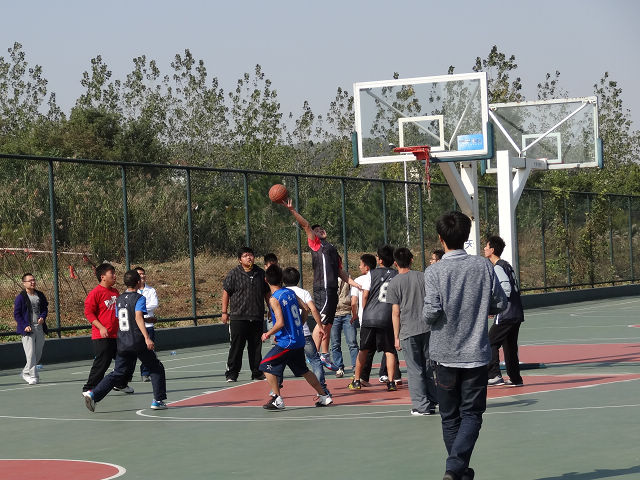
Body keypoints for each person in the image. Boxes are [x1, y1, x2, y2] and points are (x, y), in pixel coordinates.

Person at [423, 211, 507, 480]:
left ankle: (454, 469)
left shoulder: (434, 271)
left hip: (444, 355)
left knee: (449, 417)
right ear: (467, 236)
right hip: (476, 355)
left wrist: (428, 315)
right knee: (471, 414)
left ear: (440, 238)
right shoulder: (483, 266)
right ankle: (457, 469)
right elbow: (500, 302)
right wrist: (480, 307)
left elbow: (431, 312)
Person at [283, 199, 360, 370]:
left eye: (322, 229)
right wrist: (292, 210)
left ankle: (324, 355)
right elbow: (305, 225)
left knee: (328, 324)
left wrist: (355, 284)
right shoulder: (316, 244)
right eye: (316, 230)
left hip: (332, 289)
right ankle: (312, 355)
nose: (320, 230)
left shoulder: (332, 249)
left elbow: (340, 272)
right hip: (322, 288)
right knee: (321, 323)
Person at [83, 269, 168, 412]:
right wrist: (147, 337)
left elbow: (125, 317)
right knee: (156, 367)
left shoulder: (119, 298)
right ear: (138, 282)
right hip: (137, 340)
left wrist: (147, 320)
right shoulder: (139, 298)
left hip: (122, 341)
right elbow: (137, 317)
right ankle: (158, 400)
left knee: (118, 372)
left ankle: (93, 394)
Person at [259, 264, 333, 410]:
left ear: (266, 280)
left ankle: (277, 398)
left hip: (288, 342)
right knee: (304, 370)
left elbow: (280, 323)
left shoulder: (274, 299)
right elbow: (305, 308)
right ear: (281, 278)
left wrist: (268, 333)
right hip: (298, 340)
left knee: (265, 366)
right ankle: (324, 396)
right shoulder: (290, 292)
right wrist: (299, 325)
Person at [388, 247, 438, 416]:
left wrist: (396, 336)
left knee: (414, 369)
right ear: (411, 260)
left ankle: (421, 405)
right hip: (427, 327)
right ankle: (432, 400)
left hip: (408, 330)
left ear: (395, 263)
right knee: (428, 366)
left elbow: (395, 312)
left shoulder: (394, 283)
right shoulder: (423, 277)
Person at [348, 245, 399, 392]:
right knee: (389, 351)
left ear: (380, 260)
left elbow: (365, 295)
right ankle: (391, 382)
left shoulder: (372, 273)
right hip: (387, 317)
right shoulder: (396, 274)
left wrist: (365, 310)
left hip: (370, 317)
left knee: (363, 349)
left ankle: (357, 380)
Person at [82, 263, 134, 394]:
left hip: (117, 335)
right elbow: (89, 313)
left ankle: (121, 384)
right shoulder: (95, 293)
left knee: (127, 358)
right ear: (103, 277)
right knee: (102, 363)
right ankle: (89, 388)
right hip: (102, 336)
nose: (115, 276)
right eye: (112, 273)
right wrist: (101, 327)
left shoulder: (115, 292)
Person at [282, 267, 331, 396]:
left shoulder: (282, 294)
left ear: (283, 280)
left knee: (280, 361)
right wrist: (320, 326)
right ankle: (322, 389)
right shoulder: (303, 292)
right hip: (303, 333)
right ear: (298, 279)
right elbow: (313, 309)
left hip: (288, 335)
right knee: (315, 360)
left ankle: (276, 391)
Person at [221, 247, 268, 382]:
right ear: (240, 260)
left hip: (256, 317)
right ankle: (232, 373)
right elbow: (226, 293)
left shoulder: (261, 273)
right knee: (237, 347)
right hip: (238, 317)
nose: (249, 258)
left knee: (256, 347)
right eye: (245, 255)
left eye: (251, 255)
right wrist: (224, 312)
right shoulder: (233, 274)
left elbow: (267, 293)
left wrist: (271, 309)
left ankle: (257, 372)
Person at [483, 235, 525, 387]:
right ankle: (515, 378)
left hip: (506, 314)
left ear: (492, 250)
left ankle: (494, 375)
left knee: (489, 342)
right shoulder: (506, 265)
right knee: (510, 346)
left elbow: (506, 288)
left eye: (486, 247)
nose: (484, 249)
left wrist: (497, 305)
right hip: (516, 313)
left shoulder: (498, 267)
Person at [13, 273, 48, 385]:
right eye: (30, 281)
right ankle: (33, 376)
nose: (33, 282)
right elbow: (17, 314)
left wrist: (42, 317)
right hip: (27, 330)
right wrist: (24, 325)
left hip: (39, 328)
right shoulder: (20, 297)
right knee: (31, 354)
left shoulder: (40, 295)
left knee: (38, 353)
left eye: (34, 280)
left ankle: (25, 372)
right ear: (24, 283)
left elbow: (44, 308)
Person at [330, 278, 358, 378]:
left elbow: (354, 296)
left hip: (347, 313)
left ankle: (356, 367)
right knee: (335, 344)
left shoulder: (348, 279)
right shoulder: (328, 279)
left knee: (352, 342)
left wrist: (354, 312)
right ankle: (339, 368)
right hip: (333, 315)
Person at [135, 266, 159, 382]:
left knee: (149, 350)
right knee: (133, 351)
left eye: (143, 273)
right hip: (135, 327)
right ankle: (126, 374)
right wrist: (141, 310)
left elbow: (154, 304)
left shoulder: (151, 290)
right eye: (139, 274)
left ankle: (145, 373)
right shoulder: (130, 291)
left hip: (148, 326)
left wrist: (139, 309)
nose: (142, 276)